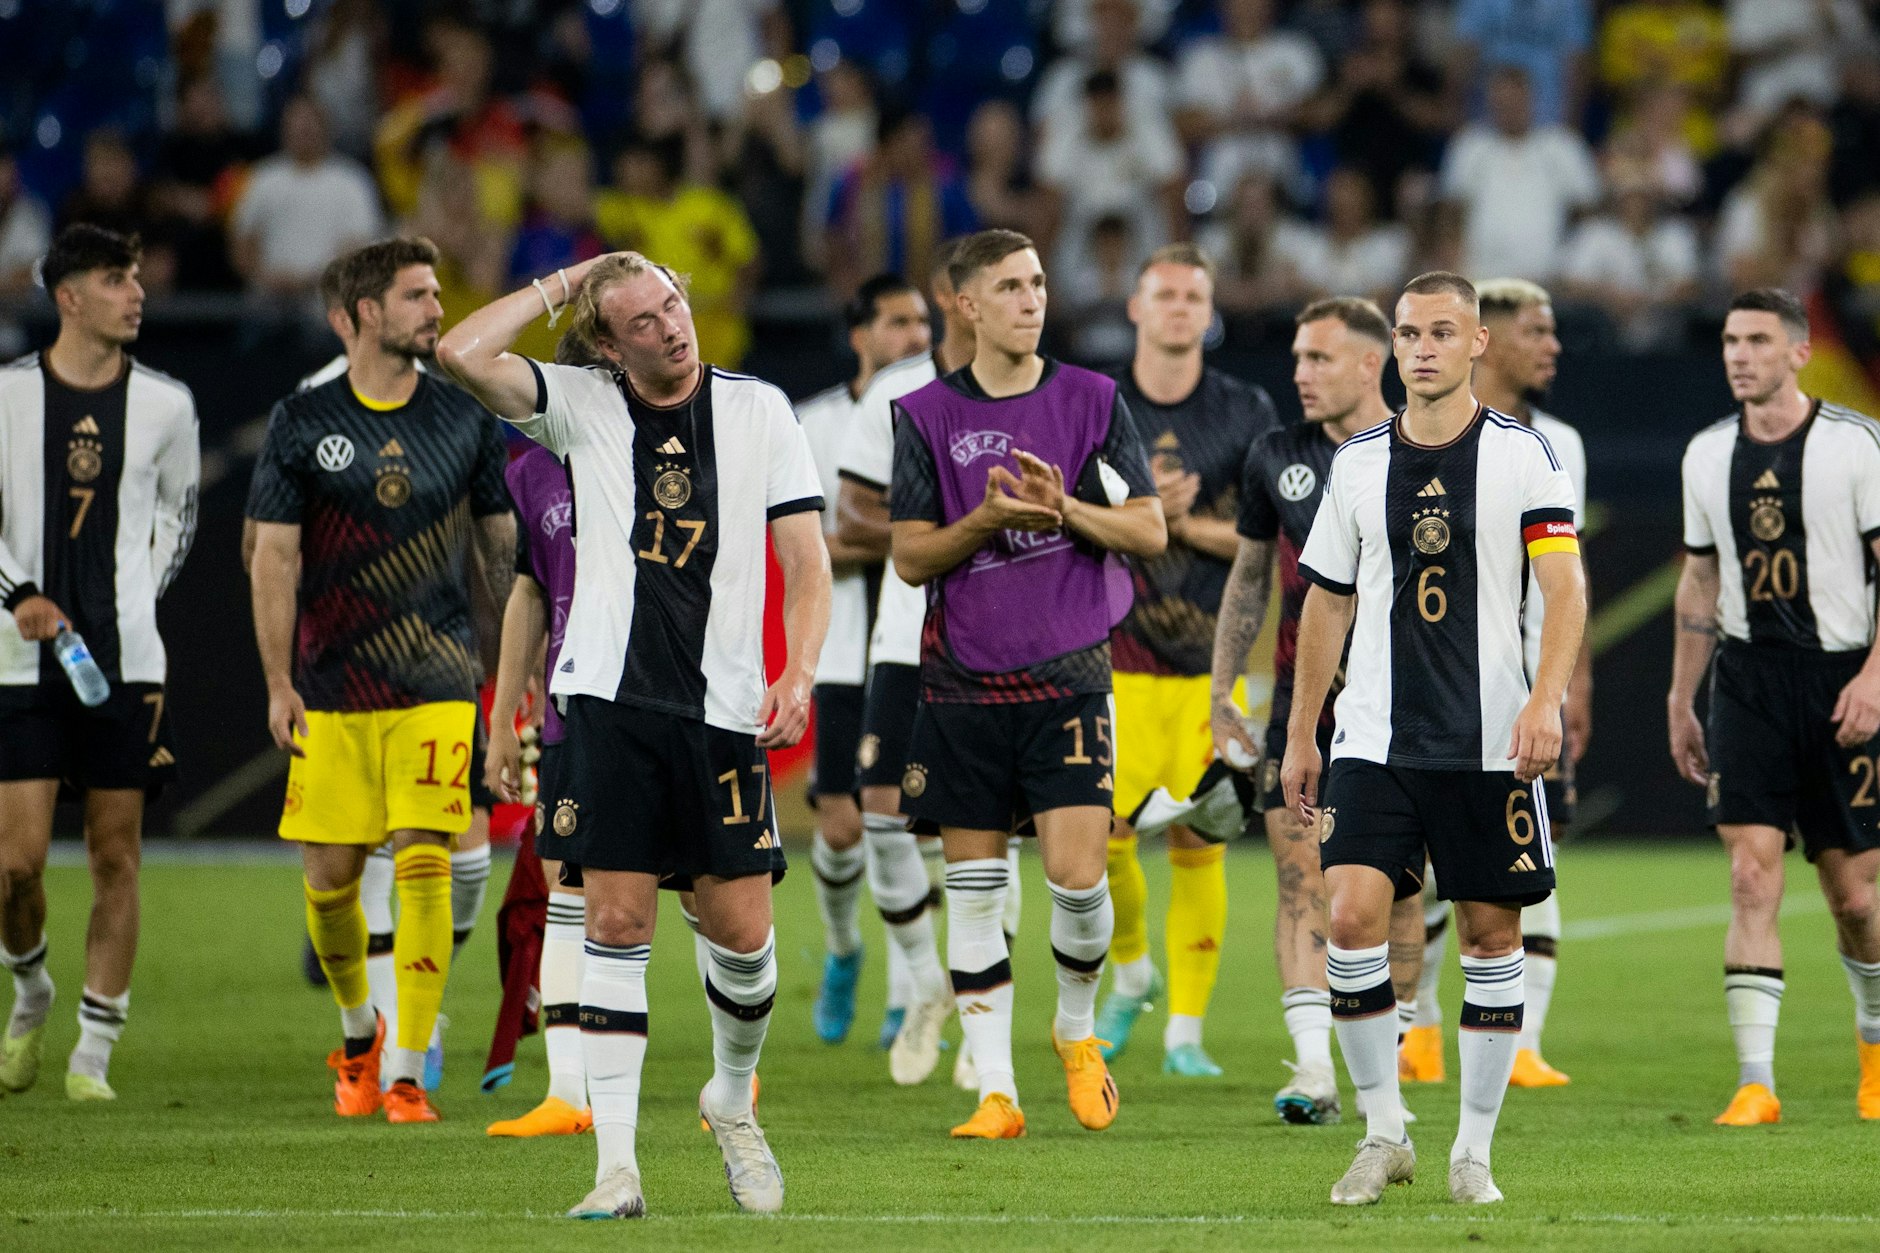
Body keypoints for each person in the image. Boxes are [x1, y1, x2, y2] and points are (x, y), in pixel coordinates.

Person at [435, 251, 831, 1218]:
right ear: (607, 343)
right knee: (615, 922)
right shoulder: (578, 402)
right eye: (643, 318)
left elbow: (806, 562)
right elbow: (457, 349)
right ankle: (616, 1169)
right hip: (606, 706)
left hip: (725, 711)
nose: (671, 323)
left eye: (673, 303)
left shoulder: (761, 409)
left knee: (745, 942)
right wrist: (570, 279)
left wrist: (800, 668)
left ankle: (731, 1101)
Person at [1281, 271, 1586, 1205]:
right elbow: (1326, 602)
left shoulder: (1525, 456)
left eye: (1441, 333)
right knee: (1349, 920)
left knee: (1494, 937)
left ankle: (1474, 1150)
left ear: (1476, 345)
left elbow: (1565, 589)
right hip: (1374, 736)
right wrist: (1303, 733)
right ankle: (1384, 1133)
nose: (1422, 348)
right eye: (1409, 333)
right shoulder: (1360, 461)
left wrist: (1546, 699)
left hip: (1492, 741)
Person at [889, 228, 1166, 1139]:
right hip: (962, 681)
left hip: (1070, 676)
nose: (1030, 298)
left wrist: (1061, 508)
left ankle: (1076, 1034)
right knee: (972, 890)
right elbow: (910, 556)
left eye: (1038, 282)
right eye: (1009, 286)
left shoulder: (1092, 399)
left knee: (1079, 883)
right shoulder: (924, 412)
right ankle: (996, 1092)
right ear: (965, 305)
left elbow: (1149, 529)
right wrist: (985, 519)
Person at [246, 237, 515, 1124]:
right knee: (329, 882)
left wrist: (514, 675)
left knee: (426, 858)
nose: (437, 308)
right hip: (332, 686)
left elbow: (499, 548)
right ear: (363, 315)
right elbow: (272, 558)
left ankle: (405, 1065)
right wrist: (279, 683)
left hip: (439, 679)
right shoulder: (301, 420)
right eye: (417, 296)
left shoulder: (464, 415)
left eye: (436, 292)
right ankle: (358, 1031)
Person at [1668, 287, 1880, 1127]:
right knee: (1750, 872)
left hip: (1841, 684)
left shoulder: (1858, 447)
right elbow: (1700, 577)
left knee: (1855, 899)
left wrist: (1873, 678)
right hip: (1747, 680)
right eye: (1729, 340)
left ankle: (1872, 1048)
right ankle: (1756, 1080)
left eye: (1757, 340)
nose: (1738, 354)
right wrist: (1682, 698)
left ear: (1798, 352)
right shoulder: (1704, 453)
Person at [0, 224, 199, 1101]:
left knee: (116, 854)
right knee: (17, 864)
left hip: (127, 661)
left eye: (137, 274)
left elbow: (179, 518)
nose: (137, 290)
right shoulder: (5, 396)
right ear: (69, 297)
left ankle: (93, 1051)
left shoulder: (168, 404)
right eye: (117, 278)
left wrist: (134, 597)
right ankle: (31, 984)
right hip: (18, 657)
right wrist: (19, 597)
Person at [1094, 243, 1279, 1077]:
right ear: (1134, 307)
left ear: (1211, 312)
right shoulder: (1095, 404)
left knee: (1200, 849)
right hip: (1114, 657)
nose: (1177, 307)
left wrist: (1173, 522)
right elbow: (1061, 517)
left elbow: (1271, 535)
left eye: (1193, 295)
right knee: (1105, 834)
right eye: (1162, 293)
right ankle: (1132, 971)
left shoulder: (1246, 411)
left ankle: (1186, 1035)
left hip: (1211, 665)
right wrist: (1133, 513)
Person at [1211, 296, 1395, 1125]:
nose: (1299, 373)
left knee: (1393, 893)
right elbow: (1250, 578)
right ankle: (1315, 1067)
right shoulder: (1273, 456)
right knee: (1299, 876)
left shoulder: (1421, 451)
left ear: (1369, 363)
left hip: (1404, 703)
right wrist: (1225, 689)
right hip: (1305, 701)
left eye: (1319, 358)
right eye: (1296, 357)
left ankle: (1389, 1059)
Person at [1403, 278, 1590, 1091]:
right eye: (1538, 331)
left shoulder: (1560, 443)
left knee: (1525, 862)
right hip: (1437, 688)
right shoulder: (1419, 433)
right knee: (1427, 869)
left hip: (1523, 688)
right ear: (1493, 338)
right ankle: (1421, 1032)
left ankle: (1524, 1041)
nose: (1552, 346)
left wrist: (1562, 685)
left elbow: (1569, 578)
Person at [833, 239, 987, 1081]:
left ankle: (981, 1012)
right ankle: (930, 982)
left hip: (1001, 632)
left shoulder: (1043, 390)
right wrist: (944, 516)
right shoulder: (898, 390)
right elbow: (853, 501)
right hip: (906, 628)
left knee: (986, 822)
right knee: (880, 808)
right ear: (952, 295)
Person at [797, 273, 933, 1045]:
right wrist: (937, 530)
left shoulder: (938, 409)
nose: (914, 336)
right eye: (896, 321)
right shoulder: (815, 422)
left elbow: (849, 533)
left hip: (919, 642)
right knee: (845, 825)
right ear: (860, 333)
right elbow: (819, 541)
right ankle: (845, 946)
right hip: (845, 642)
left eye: (922, 321)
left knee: (906, 819)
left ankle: (911, 986)